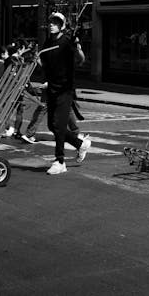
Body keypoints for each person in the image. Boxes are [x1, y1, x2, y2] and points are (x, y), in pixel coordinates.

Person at [39, 12, 91, 175]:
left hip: (65, 89)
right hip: (52, 88)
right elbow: (45, 63)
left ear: (62, 26)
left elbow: (81, 59)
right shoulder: (48, 42)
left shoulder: (67, 41)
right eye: (51, 22)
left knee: (59, 126)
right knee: (51, 126)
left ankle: (60, 161)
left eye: (56, 22)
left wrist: (77, 48)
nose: (52, 25)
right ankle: (79, 144)